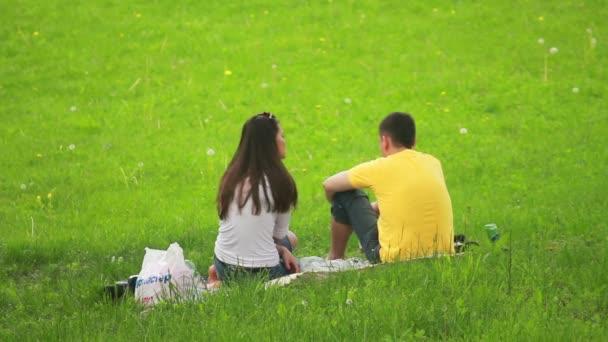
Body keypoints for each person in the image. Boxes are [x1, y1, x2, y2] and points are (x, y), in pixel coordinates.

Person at [322, 112, 454, 263]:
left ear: (385, 141)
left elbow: (329, 185)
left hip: (394, 258)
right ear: (414, 141)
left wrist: (341, 208)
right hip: (442, 253)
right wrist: (376, 208)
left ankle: (335, 258)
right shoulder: (433, 163)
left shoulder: (380, 167)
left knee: (343, 193)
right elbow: (410, 198)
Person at [207, 112, 300, 287]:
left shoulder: (231, 177)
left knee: (291, 240)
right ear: (271, 143)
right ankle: (226, 285)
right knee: (294, 259)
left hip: (223, 262)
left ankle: (220, 276)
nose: (284, 141)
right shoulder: (281, 183)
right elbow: (278, 236)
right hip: (264, 272)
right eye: (282, 136)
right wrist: (282, 250)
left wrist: (281, 249)